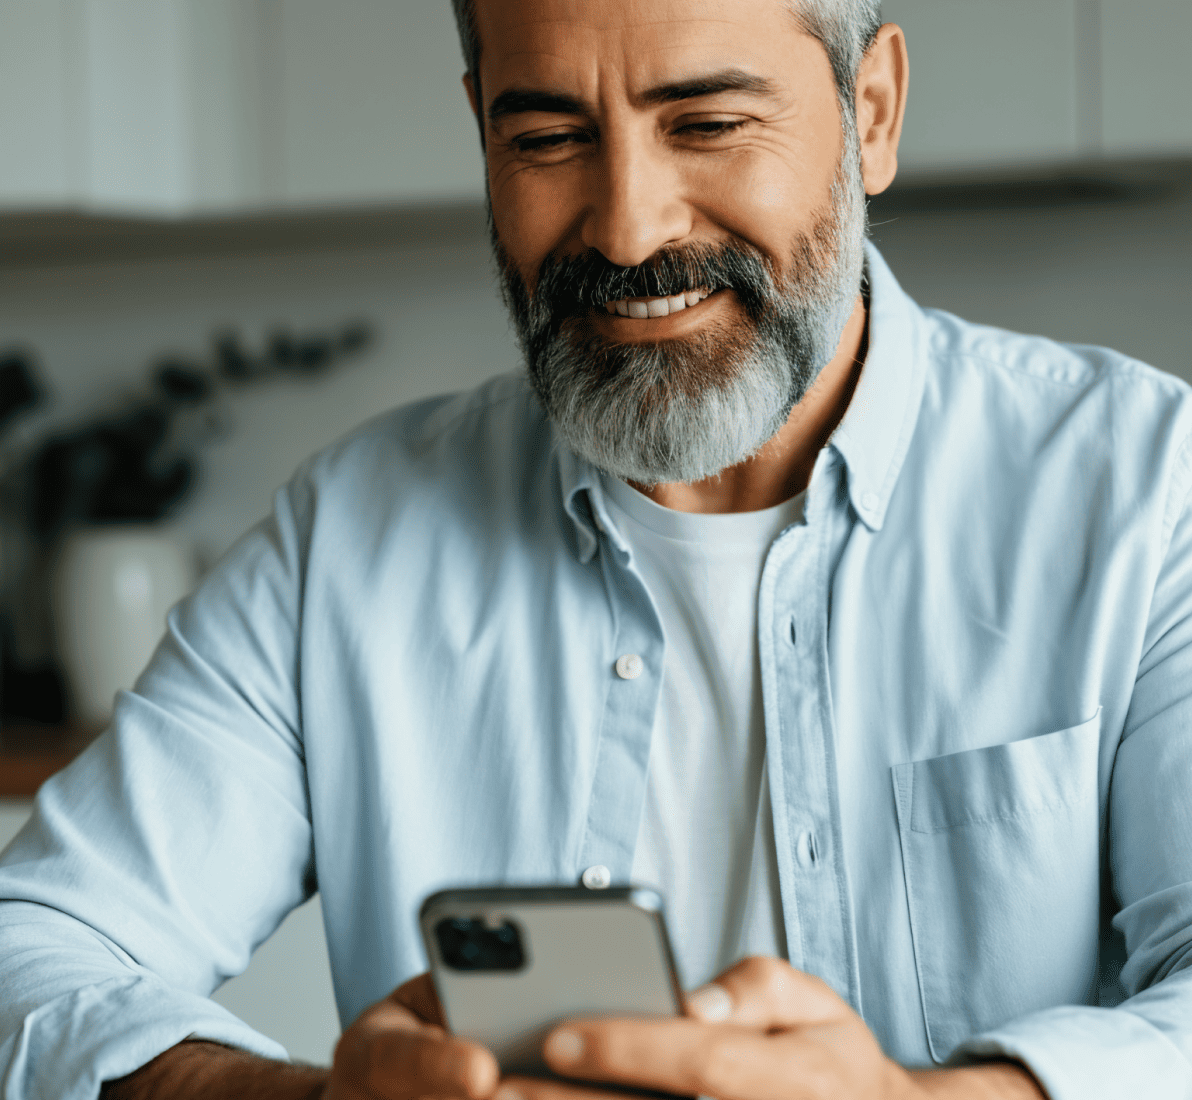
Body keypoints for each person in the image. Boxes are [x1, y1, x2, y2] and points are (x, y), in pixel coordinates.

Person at [1, 0, 1189, 1096]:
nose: (626, 228)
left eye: (709, 122)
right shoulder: (347, 537)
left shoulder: (1147, 490)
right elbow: (34, 948)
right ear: (479, 130)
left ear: (868, 112)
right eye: (547, 138)